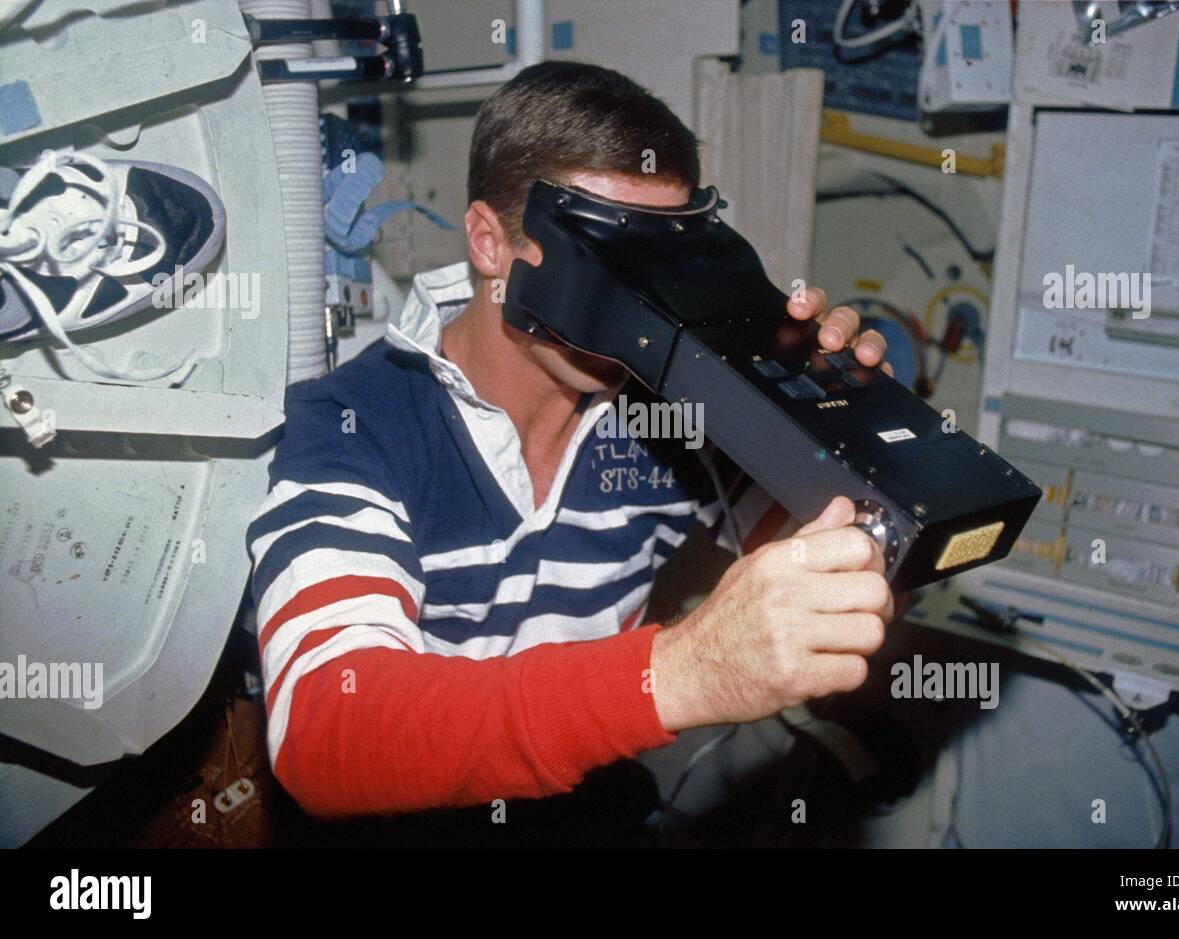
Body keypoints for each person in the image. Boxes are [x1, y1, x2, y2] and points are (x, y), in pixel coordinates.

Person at [246, 60, 895, 818]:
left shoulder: (672, 414)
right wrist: (679, 672)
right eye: (606, 261)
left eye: (660, 260)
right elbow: (328, 730)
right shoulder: (353, 426)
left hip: (587, 808)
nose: (639, 305)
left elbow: (862, 567)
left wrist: (826, 407)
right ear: (491, 244)